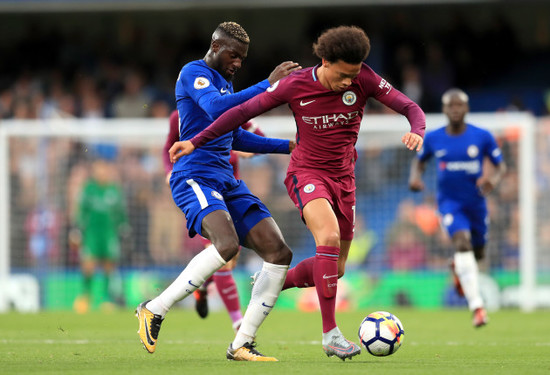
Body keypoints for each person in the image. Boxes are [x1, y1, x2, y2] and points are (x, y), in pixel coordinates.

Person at [169, 25, 425, 361]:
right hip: (306, 173)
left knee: (337, 268)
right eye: (344, 75)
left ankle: (273, 281)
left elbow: (410, 107)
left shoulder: (364, 78)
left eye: (354, 75)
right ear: (325, 61)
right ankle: (331, 335)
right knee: (328, 237)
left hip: (345, 179)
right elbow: (239, 114)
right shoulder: (295, 83)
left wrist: (416, 131)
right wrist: (194, 141)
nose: (350, 82)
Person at [136, 21, 301, 361]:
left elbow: (236, 135)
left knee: (279, 252)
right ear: (214, 45)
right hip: (194, 175)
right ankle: (155, 308)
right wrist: (268, 85)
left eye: (242, 58)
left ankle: (242, 342)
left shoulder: (226, 82)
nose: (237, 63)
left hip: (226, 179)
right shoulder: (194, 73)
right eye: (233, 55)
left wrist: (289, 147)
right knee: (225, 245)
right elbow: (215, 109)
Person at [408, 88, 506, 327]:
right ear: (444, 110)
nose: (455, 109)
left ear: (466, 108)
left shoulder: (481, 136)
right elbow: (419, 162)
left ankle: (458, 270)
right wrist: (415, 178)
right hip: (450, 204)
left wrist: (492, 179)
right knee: (462, 243)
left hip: (476, 204)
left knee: (479, 253)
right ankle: (478, 308)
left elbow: (500, 166)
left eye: (459, 105)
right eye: (450, 106)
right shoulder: (434, 138)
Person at [163, 109, 265, 333]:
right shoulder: (179, 117)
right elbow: (168, 147)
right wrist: (169, 171)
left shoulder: (232, 110)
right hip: (201, 189)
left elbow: (260, 137)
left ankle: (203, 284)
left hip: (231, 189)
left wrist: (248, 142)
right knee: (223, 251)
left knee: (229, 256)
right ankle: (238, 322)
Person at [73, 159, 128, 313]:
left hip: (109, 233)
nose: (101, 172)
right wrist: (77, 229)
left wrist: (124, 228)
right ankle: (85, 297)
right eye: (98, 169)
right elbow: (81, 211)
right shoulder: (88, 189)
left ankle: (107, 299)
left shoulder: (114, 190)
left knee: (109, 266)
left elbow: (120, 212)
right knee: (88, 265)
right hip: (91, 233)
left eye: (104, 169)